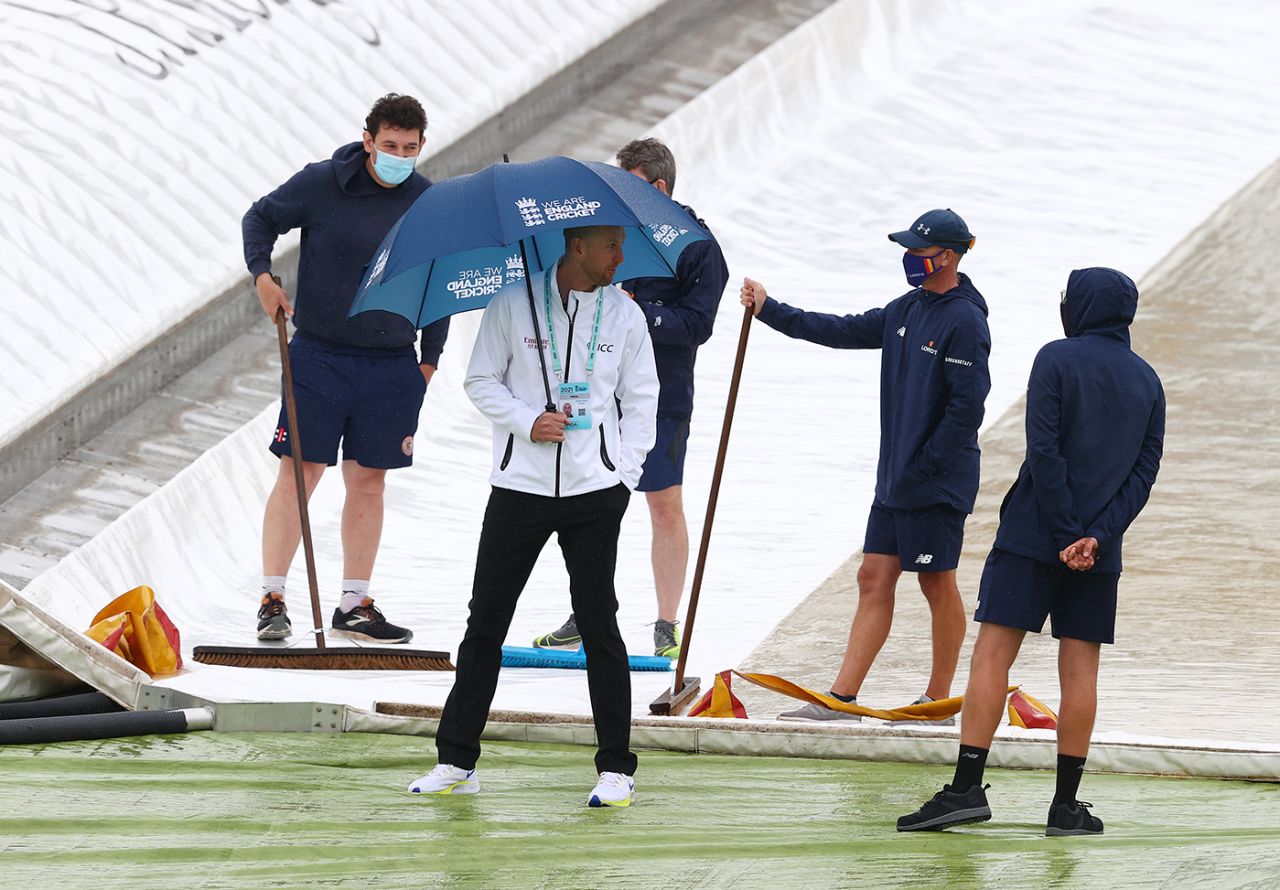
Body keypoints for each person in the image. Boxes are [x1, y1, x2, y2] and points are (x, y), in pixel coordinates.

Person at [898, 267, 1164, 837]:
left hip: (1033, 533)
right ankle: (1066, 807)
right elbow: (1143, 475)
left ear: (1082, 307)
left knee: (993, 653)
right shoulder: (1148, 382)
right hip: (1100, 549)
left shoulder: (1055, 358)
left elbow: (1043, 449)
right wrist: (1096, 535)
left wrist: (1066, 531)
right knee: (1080, 671)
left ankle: (966, 789)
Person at [409, 225, 658, 808]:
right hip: (517, 487)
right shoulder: (511, 303)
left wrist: (624, 475)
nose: (621, 257)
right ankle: (456, 760)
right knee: (486, 622)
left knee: (600, 622)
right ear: (578, 248)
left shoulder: (624, 315)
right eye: (611, 247)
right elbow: (478, 380)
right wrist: (527, 419)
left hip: (595, 491)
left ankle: (617, 768)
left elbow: (643, 400)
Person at [739, 209, 990, 724]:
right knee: (874, 576)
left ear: (948, 255)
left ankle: (938, 700)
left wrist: (925, 465)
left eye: (918, 251)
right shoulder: (906, 309)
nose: (909, 259)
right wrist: (770, 310)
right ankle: (842, 699)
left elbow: (968, 408)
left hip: (936, 482)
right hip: (896, 479)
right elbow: (840, 330)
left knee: (935, 582)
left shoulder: (965, 320)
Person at [241, 93, 449, 644]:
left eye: (409, 148)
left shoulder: (428, 202)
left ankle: (354, 604)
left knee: (369, 482)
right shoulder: (322, 183)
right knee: (301, 471)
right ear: (368, 141)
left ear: (422, 146)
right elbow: (260, 218)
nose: (399, 155)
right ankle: (273, 596)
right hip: (319, 354)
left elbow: (441, 285)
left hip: (390, 364)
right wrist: (263, 277)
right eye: (388, 146)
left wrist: (429, 361)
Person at [534, 138, 729, 658]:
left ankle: (667, 622)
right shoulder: (605, 236)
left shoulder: (698, 248)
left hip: (662, 396)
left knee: (663, 506)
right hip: (597, 391)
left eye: (631, 185)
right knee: (590, 505)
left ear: (659, 188)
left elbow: (698, 325)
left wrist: (636, 310)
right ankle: (587, 610)